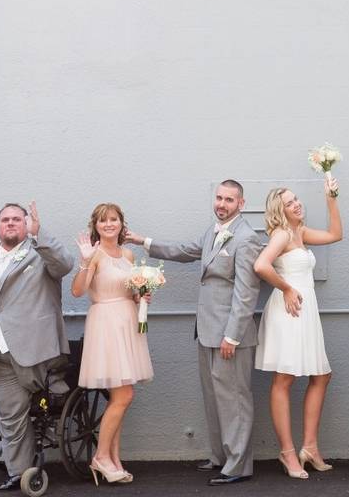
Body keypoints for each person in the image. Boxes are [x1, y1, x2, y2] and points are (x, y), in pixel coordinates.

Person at [124, 180, 261, 486]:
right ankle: (221, 457)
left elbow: (246, 292)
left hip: (230, 335)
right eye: (218, 198)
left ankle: (238, 466)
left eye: (228, 199)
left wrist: (233, 336)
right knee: (214, 398)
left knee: (235, 399)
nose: (221, 204)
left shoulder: (246, 238)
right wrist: (140, 240)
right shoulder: (212, 231)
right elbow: (183, 251)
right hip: (206, 331)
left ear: (241, 203)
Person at [0, 201, 73, 492]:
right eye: (5, 219)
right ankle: (20, 473)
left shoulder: (40, 253)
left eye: (17, 219)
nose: (11, 223)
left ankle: (58, 404)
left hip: (37, 350)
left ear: (26, 224)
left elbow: (65, 264)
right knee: (9, 416)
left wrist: (40, 235)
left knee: (48, 402)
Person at [253, 179, 343, 479]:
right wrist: (287, 289)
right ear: (280, 211)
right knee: (285, 378)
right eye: (290, 202)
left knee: (321, 375)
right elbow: (261, 266)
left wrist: (331, 198)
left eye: (297, 199)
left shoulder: (300, 232)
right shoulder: (281, 235)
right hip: (289, 311)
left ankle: (311, 447)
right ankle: (288, 453)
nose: (297, 204)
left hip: (306, 311)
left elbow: (335, 234)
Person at [72, 203, 153, 485]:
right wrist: (84, 261)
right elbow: (78, 290)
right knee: (124, 396)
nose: (109, 224)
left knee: (118, 398)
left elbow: (128, 291)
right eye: (103, 221)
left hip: (127, 323)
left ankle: (114, 459)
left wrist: (140, 296)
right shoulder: (94, 254)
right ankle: (101, 457)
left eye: (114, 220)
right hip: (106, 324)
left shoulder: (128, 254)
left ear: (121, 224)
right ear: (95, 225)